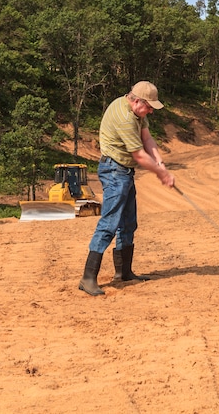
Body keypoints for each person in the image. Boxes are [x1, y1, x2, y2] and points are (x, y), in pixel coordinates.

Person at [79, 81, 175, 296]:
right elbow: (139, 155)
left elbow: (147, 138)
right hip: (114, 171)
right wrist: (163, 175)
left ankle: (124, 272)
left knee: (128, 222)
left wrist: (160, 162)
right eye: (149, 107)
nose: (150, 111)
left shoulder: (136, 112)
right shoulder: (124, 118)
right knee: (109, 223)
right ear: (137, 100)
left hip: (124, 171)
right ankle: (88, 278)